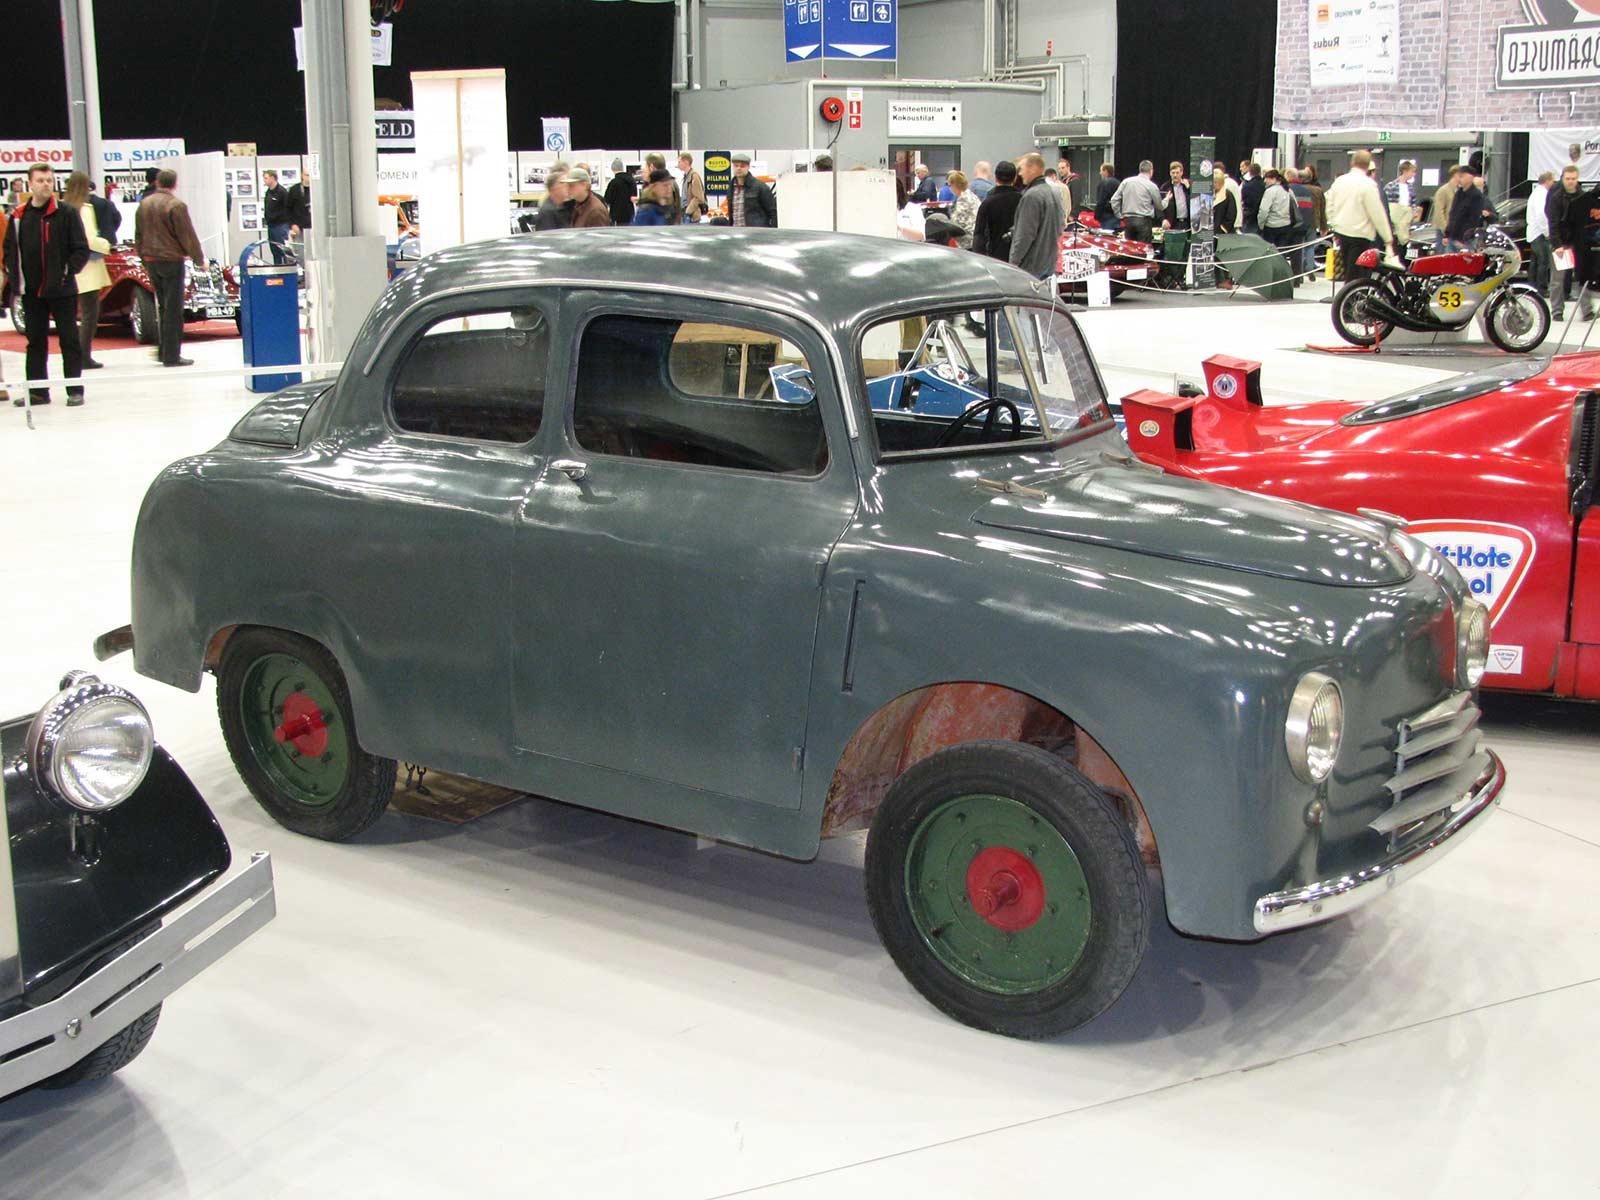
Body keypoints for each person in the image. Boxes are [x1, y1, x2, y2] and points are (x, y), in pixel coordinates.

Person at [3, 162, 90, 405]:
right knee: (35, 343)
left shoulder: (66, 213)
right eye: (41, 180)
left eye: (49, 180)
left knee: (69, 341)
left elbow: (80, 249)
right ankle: (38, 392)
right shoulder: (19, 215)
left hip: (62, 290)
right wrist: (14, 275)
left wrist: (66, 271)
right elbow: (10, 249)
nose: (46, 185)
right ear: (30, 183)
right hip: (31, 291)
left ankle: (74, 390)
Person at [134, 167, 205, 367]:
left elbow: (138, 234)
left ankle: (163, 351)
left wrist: (143, 257)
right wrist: (199, 259)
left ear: (157, 182)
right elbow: (187, 235)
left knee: (163, 306)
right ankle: (171, 355)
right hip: (171, 260)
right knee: (173, 309)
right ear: (175, 184)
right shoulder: (176, 205)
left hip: (151, 260)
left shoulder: (144, 204)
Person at [1324, 149, 1396, 280]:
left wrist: (1334, 226)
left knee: (1348, 270)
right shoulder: (1368, 185)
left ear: (1352, 162)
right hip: (1361, 235)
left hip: (1342, 233)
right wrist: (1388, 238)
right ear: (1368, 165)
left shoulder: (1340, 181)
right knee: (1358, 276)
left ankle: (1348, 292)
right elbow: (1377, 213)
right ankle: (1352, 292)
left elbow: (1329, 206)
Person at [63, 172, 111, 370]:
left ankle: (76, 355)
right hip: (88, 267)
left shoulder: (62, 208)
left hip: (70, 267)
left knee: (72, 316)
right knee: (90, 314)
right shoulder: (84, 209)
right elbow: (89, 239)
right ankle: (84, 356)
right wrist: (106, 245)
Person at [1009, 152, 1062, 279]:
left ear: (1033, 168)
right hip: (1049, 264)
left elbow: (1025, 235)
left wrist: (1012, 264)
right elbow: (1060, 226)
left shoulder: (1031, 196)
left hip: (1031, 268)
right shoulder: (1053, 193)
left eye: (1021, 169)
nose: (1020, 173)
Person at [1548, 165, 1591, 321]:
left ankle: (1587, 310)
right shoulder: (1556, 198)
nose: (1571, 181)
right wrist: (1557, 244)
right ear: (1563, 178)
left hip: (1579, 243)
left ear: (1577, 179)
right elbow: (1553, 223)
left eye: (1573, 179)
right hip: (1562, 243)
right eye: (1568, 179)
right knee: (1558, 280)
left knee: (1583, 278)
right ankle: (1557, 311)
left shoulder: (1584, 197)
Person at [971, 159, 1022, 260]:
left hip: (994, 257)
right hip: (1017, 256)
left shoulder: (988, 203)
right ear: (1015, 178)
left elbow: (979, 235)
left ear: (995, 177)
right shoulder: (1022, 200)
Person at [1257, 169, 1301, 275]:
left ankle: (1271, 274)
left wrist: (1261, 224)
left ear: (1273, 179)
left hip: (1271, 226)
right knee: (1282, 253)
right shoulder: (1288, 190)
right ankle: (1281, 273)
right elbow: (1296, 206)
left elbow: (1264, 210)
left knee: (1270, 253)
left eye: (1267, 179)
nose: (1265, 181)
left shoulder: (1270, 191)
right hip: (1286, 225)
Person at [1110, 159, 1163, 243]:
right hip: (1144, 222)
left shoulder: (1126, 182)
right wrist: (1166, 200)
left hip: (1128, 221)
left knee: (1129, 248)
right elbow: (1159, 206)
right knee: (1143, 249)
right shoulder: (1152, 186)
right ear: (1151, 171)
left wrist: (1119, 215)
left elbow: (1114, 200)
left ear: (1140, 169)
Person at [1444, 165, 1491, 251]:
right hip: (1452, 238)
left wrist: (1464, 239)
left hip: (1465, 241)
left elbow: (1474, 220)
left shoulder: (1476, 196)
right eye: (1459, 176)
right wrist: (1447, 234)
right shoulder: (1459, 193)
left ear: (1470, 177)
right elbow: (1452, 214)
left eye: (1462, 176)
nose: (1460, 179)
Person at [728, 152, 777, 227]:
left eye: (742, 166)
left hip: (755, 232)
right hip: (735, 231)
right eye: (736, 166)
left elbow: (773, 212)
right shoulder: (731, 187)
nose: (739, 168)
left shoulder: (760, 187)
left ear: (748, 167)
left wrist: (772, 232)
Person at [1527, 170, 1554, 299]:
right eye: (1552, 180)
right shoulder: (1542, 194)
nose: (1553, 183)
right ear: (1547, 181)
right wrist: (1546, 231)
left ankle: (1532, 287)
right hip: (1539, 233)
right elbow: (1542, 214)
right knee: (1543, 261)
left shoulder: (1536, 193)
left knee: (1535, 262)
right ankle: (1542, 289)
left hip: (1534, 232)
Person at [1382, 160, 1420, 245]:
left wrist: (1414, 213)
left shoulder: (1410, 187)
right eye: (1412, 172)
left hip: (1406, 221)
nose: (1414, 174)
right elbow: (1385, 203)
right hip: (1394, 221)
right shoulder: (1391, 186)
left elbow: (1413, 203)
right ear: (1405, 171)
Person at [262, 169, 292, 263]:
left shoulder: (282, 192)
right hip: (271, 226)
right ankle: (277, 268)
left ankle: (287, 269)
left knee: (283, 250)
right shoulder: (268, 192)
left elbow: (288, 209)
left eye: (266, 178)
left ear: (272, 178)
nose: (264, 180)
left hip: (280, 226)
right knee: (274, 251)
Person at [644, 153, 683, 223]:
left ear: (652, 167)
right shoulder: (670, 182)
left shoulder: (664, 185)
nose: (644, 170)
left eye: (646, 167)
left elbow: (668, 210)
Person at [946, 170, 979, 249]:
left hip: (967, 241)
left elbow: (958, 222)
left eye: (950, 185)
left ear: (954, 185)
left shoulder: (963, 198)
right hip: (974, 237)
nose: (950, 188)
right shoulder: (971, 195)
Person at [535, 163, 572, 231]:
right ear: (553, 187)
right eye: (562, 183)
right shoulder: (547, 212)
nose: (567, 186)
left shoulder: (562, 208)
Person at [1431, 165, 1462, 240]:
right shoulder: (1443, 191)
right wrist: (1445, 229)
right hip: (1444, 231)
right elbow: (1439, 212)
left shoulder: (1460, 190)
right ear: (1455, 175)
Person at [603, 158, 636, 226]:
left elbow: (607, 199)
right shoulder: (632, 181)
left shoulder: (613, 182)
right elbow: (634, 197)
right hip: (630, 214)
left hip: (617, 215)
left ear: (613, 169)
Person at [87, 181, 120, 246]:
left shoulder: (83, 205)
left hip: (90, 243)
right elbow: (117, 219)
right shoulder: (108, 203)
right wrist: (110, 231)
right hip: (109, 240)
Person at [1161, 161, 1191, 230]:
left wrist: (1189, 188)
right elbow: (1160, 206)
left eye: (1177, 173)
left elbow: (1196, 200)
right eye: (1173, 173)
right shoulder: (1165, 187)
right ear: (1170, 173)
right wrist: (1163, 219)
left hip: (1188, 223)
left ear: (1182, 172)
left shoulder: (1188, 184)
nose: (1175, 175)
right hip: (1173, 224)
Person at [895, 177, 926, 242]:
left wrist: (899, 227)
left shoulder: (912, 208)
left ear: (899, 193)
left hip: (907, 246)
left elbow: (920, 235)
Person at [679, 152, 706, 222]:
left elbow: (699, 197)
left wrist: (688, 211)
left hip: (692, 216)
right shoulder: (687, 176)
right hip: (686, 214)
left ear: (686, 162)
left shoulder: (694, 176)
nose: (678, 164)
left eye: (679, 162)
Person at [1240, 162, 1265, 233]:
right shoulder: (1264, 185)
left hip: (1249, 215)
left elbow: (1243, 199)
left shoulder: (1246, 186)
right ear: (1260, 172)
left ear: (1250, 173)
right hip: (1260, 215)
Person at [1094, 163, 1119, 230]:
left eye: (1101, 171)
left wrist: (1097, 215)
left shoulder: (1103, 183)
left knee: (1106, 234)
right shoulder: (1118, 183)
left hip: (1106, 215)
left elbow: (1101, 200)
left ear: (1105, 171)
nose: (1100, 173)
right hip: (1116, 214)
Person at [1211, 168, 1237, 234]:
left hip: (1222, 233)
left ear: (1221, 182)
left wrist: (1223, 229)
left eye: (1216, 182)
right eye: (1213, 182)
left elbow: (1231, 214)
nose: (1214, 184)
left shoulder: (1227, 194)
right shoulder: (1208, 194)